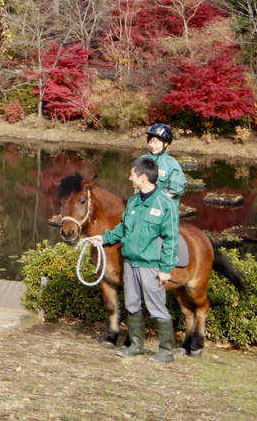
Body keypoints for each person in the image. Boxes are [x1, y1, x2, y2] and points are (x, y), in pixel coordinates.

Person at [90, 156, 178, 363]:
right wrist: (104, 238)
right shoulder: (133, 201)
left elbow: (171, 239)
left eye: (132, 174)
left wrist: (165, 269)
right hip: (130, 263)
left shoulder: (165, 204)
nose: (130, 177)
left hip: (151, 265)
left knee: (157, 307)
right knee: (132, 304)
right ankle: (136, 346)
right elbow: (123, 228)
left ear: (143, 176)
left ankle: (166, 351)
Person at [141, 123, 185, 200]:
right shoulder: (142, 159)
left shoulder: (172, 164)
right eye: (150, 142)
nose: (152, 146)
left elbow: (174, 190)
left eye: (156, 143)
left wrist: (157, 203)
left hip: (162, 206)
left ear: (165, 144)